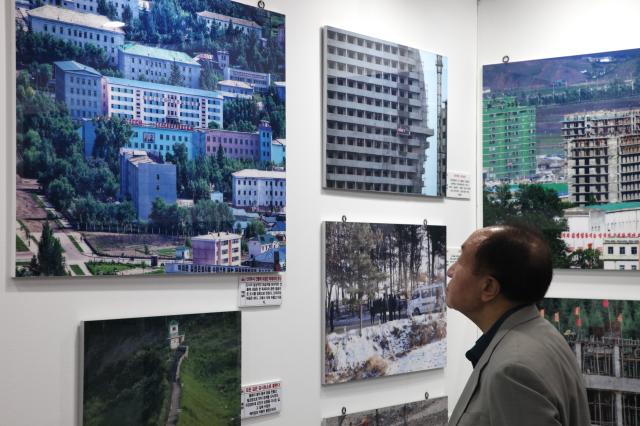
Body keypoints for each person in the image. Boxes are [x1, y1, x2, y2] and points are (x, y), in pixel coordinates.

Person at [447, 225, 589, 426]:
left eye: (460, 262)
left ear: (488, 287)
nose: (450, 271)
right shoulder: (543, 333)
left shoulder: (513, 371)